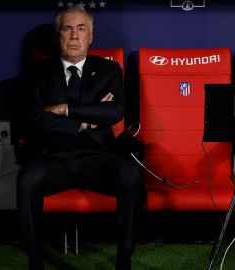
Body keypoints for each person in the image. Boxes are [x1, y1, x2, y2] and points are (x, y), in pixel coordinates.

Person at [17, 6, 143, 270]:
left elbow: (115, 111)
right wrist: (85, 122)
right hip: (53, 159)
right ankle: (35, 260)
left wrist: (65, 110)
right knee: (28, 178)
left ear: (91, 36)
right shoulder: (38, 71)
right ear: (57, 35)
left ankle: (124, 259)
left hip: (99, 158)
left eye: (81, 28)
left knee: (130, 174)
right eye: (67, 28)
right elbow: (33, 118)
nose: (74, 35)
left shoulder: (108, 70)